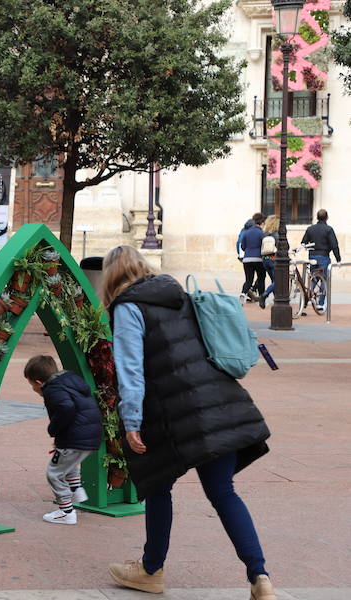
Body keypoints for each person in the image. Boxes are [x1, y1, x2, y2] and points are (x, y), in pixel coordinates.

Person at [101, 245, 275, 600]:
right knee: (223, 493)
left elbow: (131, 370)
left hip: (172, 414)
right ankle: (260, 578)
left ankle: (151, 570)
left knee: (157, 485)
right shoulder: (178, 296)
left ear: (112, 275)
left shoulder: (127, 307)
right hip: (220, 404)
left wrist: (131, 421)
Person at [24, 355, 100, 525]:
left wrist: (53, 429)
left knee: (54, 473)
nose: (33, 389)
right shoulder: (68, 381)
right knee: (69, 463)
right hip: (90, 435)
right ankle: (77, 490)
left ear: (38, 382)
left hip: (76, 437)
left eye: (31, 385)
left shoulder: (52, 390)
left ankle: (66, 512)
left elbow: (66, 408)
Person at [302, 209, 341, 307]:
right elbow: (334, 245)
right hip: (324, 256)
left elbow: (303, 242)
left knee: (313, 278)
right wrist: (338, 259)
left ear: (317, 217)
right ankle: (321, 303)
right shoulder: (328, 229)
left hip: (312, 257)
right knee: (324, 279)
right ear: (327, 218)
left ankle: (308, 297)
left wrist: (309, 248)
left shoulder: (310, 229)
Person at [240, 213, 265, 303]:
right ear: (262, 222)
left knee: (249, 280)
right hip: (258, 259)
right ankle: (262, 298)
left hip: (247, 259)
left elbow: (243, 246)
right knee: (261, 277)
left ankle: (243, 294)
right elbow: (264, 246)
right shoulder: (261, 233)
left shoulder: (247, 232)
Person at [258, 215, 279, 309]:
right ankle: (264, 295)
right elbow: (283, 247)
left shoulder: (264, 234)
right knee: (278, 281)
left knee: (274, 281)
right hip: (274, 259)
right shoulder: (276, 234)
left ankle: (276, 301)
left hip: (265, 259)